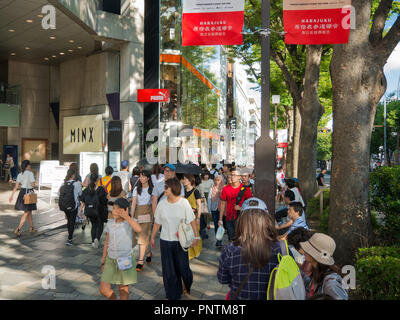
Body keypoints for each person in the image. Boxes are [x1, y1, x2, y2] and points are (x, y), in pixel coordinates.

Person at [217, 198, 293, 300]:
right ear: (266, 220)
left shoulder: (230, 250)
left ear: (241, 222)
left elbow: (223, 279)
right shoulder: (282, 249)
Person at [150, 178, 200, 300]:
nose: (164, 190)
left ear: (173, 188)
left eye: (166, 187)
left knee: (183, 269)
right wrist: (152, 237)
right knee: (168, 271)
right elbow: (157, 222)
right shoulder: (162, 204)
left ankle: (186, 282)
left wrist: (196, 236)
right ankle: (172, 294)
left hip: (181, 242)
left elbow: (192, 220)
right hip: (165, 241)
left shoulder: (184, 203)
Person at [99, 198, 142, 300]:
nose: (114, 211)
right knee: (104, 289)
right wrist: (103, 260)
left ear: (125, 210)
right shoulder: (110, 223)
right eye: (113, 208)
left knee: (123, 290)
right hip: (110, 259)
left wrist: (127, 217)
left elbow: (139, 229)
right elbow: (107, 242)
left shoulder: (129, 223)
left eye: (118, 209)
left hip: (125, 259)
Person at [299, 233, 348, 300]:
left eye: (308, 249)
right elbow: (311, 287)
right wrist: (298, 272)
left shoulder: (331, 284)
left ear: (315, 256)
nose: (304, 251)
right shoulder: (318, 271)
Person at [218, 168, 252, 242]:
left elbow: (251, 203)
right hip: (229, 217)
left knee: (241, 239)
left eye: (235, 175)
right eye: (231, 175)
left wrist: (241, 208)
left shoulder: (245, 189)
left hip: (241, 217)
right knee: (231, 239)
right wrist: (220, 219)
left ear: (239, 177)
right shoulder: (226, 188)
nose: (233, 177)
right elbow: (223, 203)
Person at [131, 170, 154, 271]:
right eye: (140, 176)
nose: (141, 178)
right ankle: (148, 252)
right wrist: (131, 216)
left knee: (143, 236)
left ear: (148, 178)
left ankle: (140, 261)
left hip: (148, 213)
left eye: (143, 176)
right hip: (138, 213)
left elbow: (154, 203)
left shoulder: (152, 189)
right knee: (140, 236)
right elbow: (133, 203)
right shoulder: (136, 188)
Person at [9, 160, 37, 237]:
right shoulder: (30, 173)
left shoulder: (19, 174)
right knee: (26, 213)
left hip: (22, 193)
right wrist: (34, 183)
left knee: (29, 211)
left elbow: (16, 186)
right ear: (27, 166)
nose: (30, 166)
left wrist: (11, 196)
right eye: (29, 165)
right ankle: (18, 229)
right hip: (29, 193)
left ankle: (32, 227)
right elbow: (33, 184)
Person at [79, 173, 108, 248]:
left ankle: (92, 242)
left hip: (90, 211)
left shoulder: (87, 189)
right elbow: (105, 200)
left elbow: (82, 201)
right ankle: (97, 238)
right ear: (97, 180)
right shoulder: (101, 189)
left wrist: (80, 210)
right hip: (100, 211)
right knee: (100, 225)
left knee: (94, 226)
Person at [58, 168, 82, 246]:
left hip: (65, 205)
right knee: (72, 221)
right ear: (73, 175)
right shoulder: (76, 184)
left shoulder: (63, 184)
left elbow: (59, 193)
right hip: (73, 205)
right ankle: (70, 238)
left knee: (69, 220)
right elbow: (80, 193)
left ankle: (70, 236)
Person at [182, 174, 203, 259]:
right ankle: (190, 253)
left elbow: (199, 205)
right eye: (183, 179)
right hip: (184, 216)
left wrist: (198, 217)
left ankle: (197, 251)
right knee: (187, 234)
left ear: (190, 181)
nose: (184, 181)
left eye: (186, 179)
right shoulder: (182, 191)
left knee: (195, 234)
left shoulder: (196, 191)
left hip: (194, 216)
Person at [208, 175, 224, 247]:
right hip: (214, 209)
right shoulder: (212, 188)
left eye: (219, 180)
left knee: (221, 225)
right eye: (215, 180)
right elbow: (209, 199)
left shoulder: (224, 188)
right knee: (216, 225)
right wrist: (209, 211)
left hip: (222, 209)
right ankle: (218, 240)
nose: (217, 181)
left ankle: (220, 239)